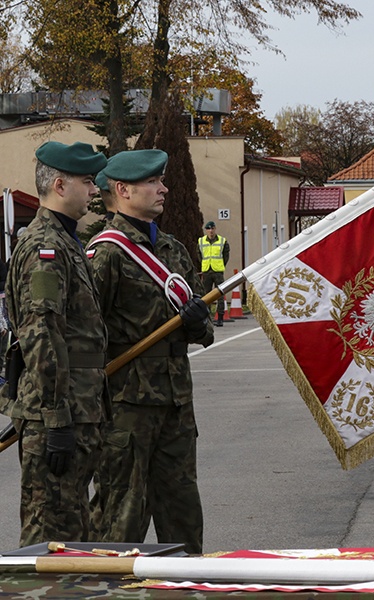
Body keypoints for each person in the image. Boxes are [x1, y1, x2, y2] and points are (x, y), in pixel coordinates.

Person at [88, 149, 213, 554]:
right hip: (128, 406)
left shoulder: (174, 249)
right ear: (122, 190)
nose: (164, 188)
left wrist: (198, 323)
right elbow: (89, 335)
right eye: (152, 182)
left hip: (176, 402)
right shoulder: (105, 253)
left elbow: (204, 329)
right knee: (122, 518)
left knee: (184, 517)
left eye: (160, 180)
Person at [0, 141, 109, 546]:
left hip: (78, 409)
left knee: (73, 530)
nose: (95, 190)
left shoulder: (66, 241)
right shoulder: (44, 248)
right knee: (50, 537)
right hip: (58, 415)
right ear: (60, 185)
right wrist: (57, 417)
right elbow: (40, 334)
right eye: (87, 181)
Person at [198, 221, 229, 326]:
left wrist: (221, 265)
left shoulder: (222, 241)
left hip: (218, 271)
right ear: (206, 230)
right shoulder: (201, 241)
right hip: (206, 270)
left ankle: (220, 317)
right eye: (208, 229)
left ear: (215, 229)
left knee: (220, 294)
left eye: (212, 229)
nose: (211, 231)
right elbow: (199, 255)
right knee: (206, 295)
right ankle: (207, 317)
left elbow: (226, 256)